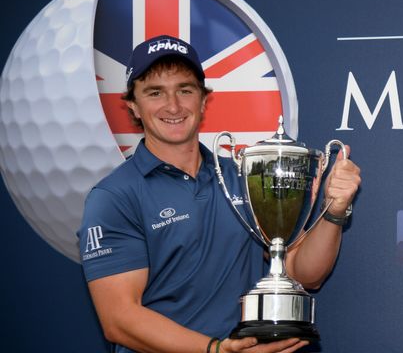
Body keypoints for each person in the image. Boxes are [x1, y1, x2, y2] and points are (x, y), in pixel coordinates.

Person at [78, 35, 361, 353]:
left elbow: (304, 274)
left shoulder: (243, 176)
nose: (173, 106)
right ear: (133, 105)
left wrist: (334, 211)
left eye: (185, 90)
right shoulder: (114, 197)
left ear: (203, 99)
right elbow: (119, 319)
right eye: (155, 93)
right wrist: (215, 350)